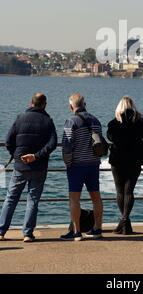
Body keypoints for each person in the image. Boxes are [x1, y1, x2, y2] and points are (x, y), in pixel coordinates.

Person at [0, 93, 57, 243]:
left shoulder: (20, 118)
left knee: (11, 198)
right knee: (33, 200)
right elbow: (52, 144)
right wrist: (36, 156)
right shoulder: (48, 121)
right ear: (45, 104)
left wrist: (17, 156)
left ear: (31, 103)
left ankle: (1, 231)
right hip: (38, 167)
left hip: (20, 167)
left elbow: (8, 141)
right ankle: (27, 233)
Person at [61, 93, 103, 241]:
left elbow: (67, 146)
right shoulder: (96, 121)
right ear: (85, 104)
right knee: (96, 198)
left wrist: (68, 163)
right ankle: (97, 229)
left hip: (77, 166)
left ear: (71, 106)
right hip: (93, 164)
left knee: (74, 199)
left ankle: (77, 232)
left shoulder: (71, 121)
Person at [107, 96, 143, 235]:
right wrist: (139, 118)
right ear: (133, 107)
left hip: (117, 161)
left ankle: (124, 221)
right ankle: (125, 221)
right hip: (134, 161)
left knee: (120, 192)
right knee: (129, 191)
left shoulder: (114, 123)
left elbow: (110, 137)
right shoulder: (138, 121)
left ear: (119, 108)